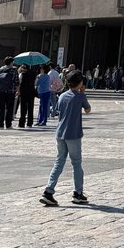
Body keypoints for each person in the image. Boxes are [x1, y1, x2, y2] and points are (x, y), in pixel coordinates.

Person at [40, 70, 92, 206]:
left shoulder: (62, 96)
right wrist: (83, 93)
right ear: (80, 83)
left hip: (60, 133)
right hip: (73, 134)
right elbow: (88, 110)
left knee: (59, 162)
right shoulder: (80, 96)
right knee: (76, 163)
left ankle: (49, 191)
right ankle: (78, 193)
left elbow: (59, 110)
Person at [0, 58, 19, 129]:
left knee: (0, 108)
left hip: (1, 91)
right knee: (10, 108)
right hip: (10, 92)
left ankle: (0, 125)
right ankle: (8, 125)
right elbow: (17, 82)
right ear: (11, 63)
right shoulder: (14, 70)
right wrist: (17, 91)